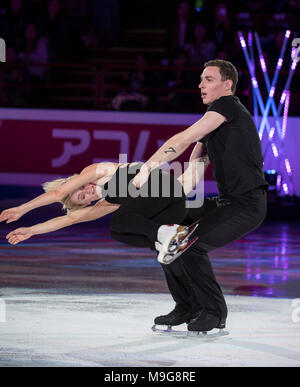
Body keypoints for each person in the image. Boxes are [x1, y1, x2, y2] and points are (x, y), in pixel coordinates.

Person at [132, 59, 268, 333]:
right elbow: (193, 170)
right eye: (201, 79)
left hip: (247, 203)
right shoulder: (214, 122)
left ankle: (215, 312)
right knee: (166, 231)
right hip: (227, 201)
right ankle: (187, 305)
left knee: (190, 244)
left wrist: (146, 168)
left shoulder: (227, 106)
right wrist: (167, 202)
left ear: (227, 85)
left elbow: (180, 140)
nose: (200, 84)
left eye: (208, 79)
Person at [0, 160, 203, 254]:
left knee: (120, 221)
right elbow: (68, 219)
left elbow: (58, 194)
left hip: (158, 183)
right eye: (82, 197)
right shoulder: (106, 204)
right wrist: (31, 230)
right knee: (118, 232)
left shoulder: (97, 171)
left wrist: (22, 209)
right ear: (86, 203)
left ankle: (164, 236)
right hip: (163, 201)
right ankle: (166, 242)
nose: (86, 191)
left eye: (80, 188)